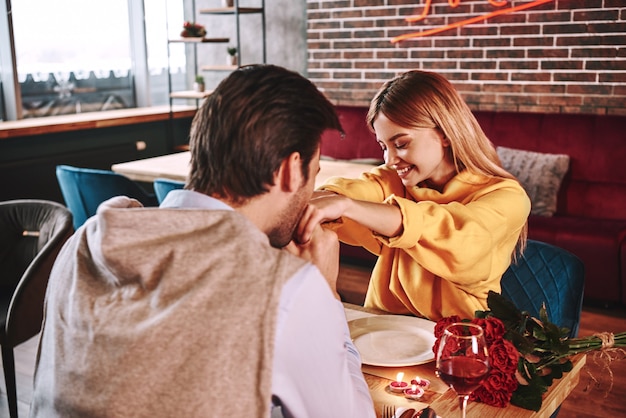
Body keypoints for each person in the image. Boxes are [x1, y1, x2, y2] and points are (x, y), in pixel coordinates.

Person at [30, 65, 375, 418]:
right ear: (289, 170)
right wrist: (325, 291)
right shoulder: (285, 288)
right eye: (313, 176)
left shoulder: (83, 241)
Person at [296, 70, 531, 321]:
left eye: (401, 144)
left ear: (444, 133)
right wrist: (327, 199)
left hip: (460, 339)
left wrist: (348, 206)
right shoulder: (393, 180)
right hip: (383, 328)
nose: (389, 159)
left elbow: (458, 237)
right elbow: (352, 189)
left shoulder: (508, 197)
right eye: (383, 146)